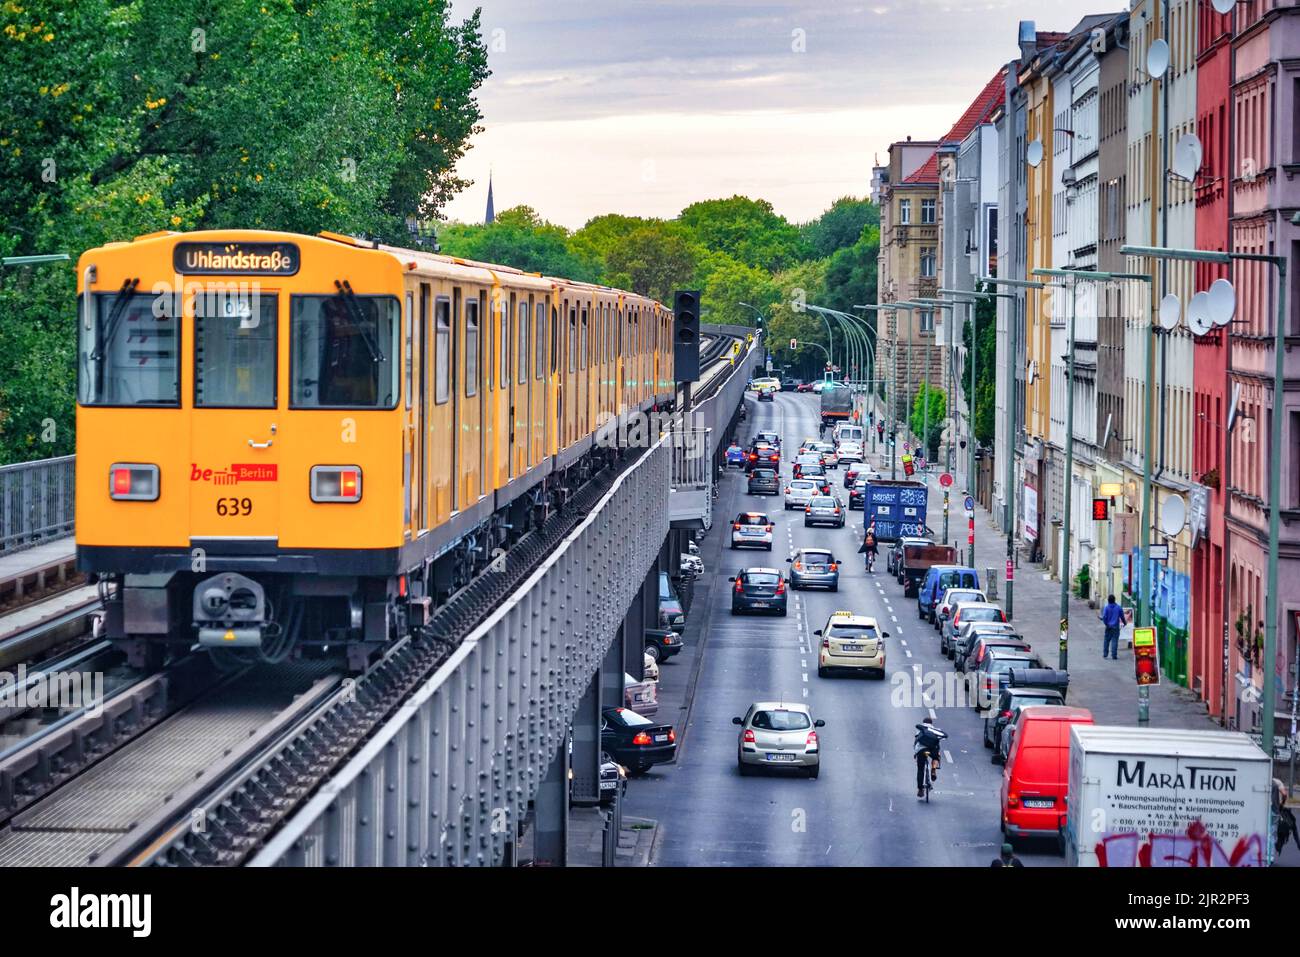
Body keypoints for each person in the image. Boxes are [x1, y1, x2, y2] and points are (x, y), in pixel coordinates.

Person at [913, 717, 947, 798]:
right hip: (932, 750)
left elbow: (916, 741)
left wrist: (915, 753)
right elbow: (939, 741)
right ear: (931, 723)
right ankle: (933, 769)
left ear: (923, 722)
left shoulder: (919, 729)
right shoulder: (935, 729)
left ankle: (920, 789)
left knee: (920, 769)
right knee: (936, 757)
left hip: (921, 750)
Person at [1100, 594, 1124, 660]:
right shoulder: (1118, 607)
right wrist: (1124, 623)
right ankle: (1114, 655)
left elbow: (1104, 617)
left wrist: (1106, 624)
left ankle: (1105, 654)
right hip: (1116, 627)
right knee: (1115, 641)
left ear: (1108, 600)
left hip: (1108, 627)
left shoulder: (1106, 607)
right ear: (1114, 600)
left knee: (1106, 640)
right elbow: (1122, 616)